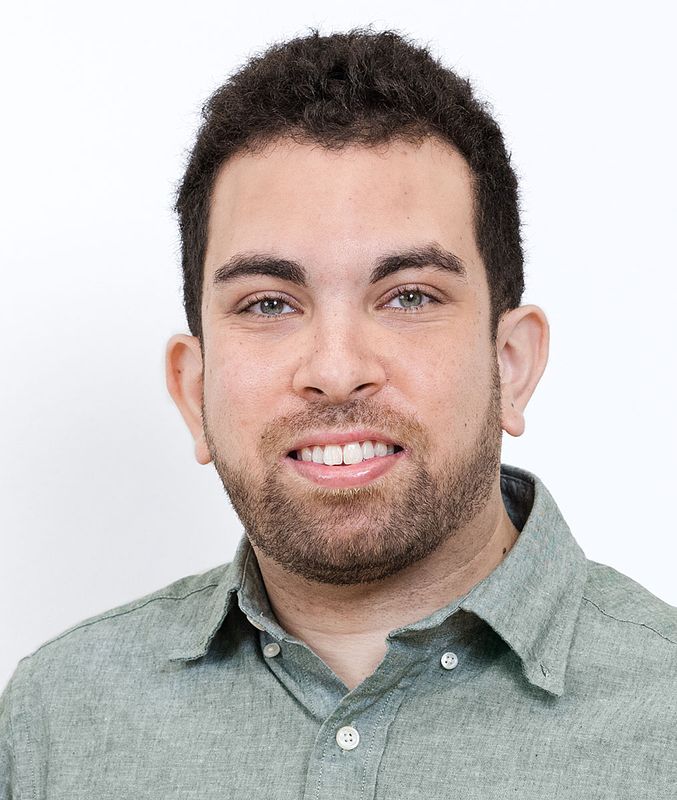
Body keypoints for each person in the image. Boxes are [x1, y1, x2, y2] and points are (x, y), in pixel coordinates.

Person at [1, 27, 675, 798]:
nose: (335, 370)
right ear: (193, 390)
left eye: (409, 296)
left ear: (510, 365)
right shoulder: (55, 722)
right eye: (268, 303)